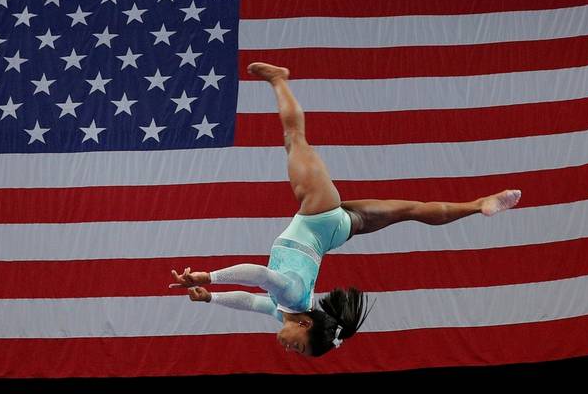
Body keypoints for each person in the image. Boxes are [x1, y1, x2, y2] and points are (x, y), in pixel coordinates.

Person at [170, 62, 522, 357]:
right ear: (307, 325)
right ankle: (279, 78)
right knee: (294, 137)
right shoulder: (291, 297)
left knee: (412, 210)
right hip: (318, 216)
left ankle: (478, 205)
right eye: (301, 347)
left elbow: (249, 303)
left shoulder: (286, 311)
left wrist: (211, 298)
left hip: (332, 232)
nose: (291, 349)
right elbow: (260, 276)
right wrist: (209, 276)